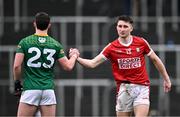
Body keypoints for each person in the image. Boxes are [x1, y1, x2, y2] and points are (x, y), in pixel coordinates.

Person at [69, 15, 171, 117]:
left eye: (125, 27)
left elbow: (155, 59)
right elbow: (92, 63)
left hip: (141, 87)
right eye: (119, 26)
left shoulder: (141, 42)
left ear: (131, 28)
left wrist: (166, 79)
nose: (122, 29)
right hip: (124, 89)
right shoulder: (111, 47)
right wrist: (77, 58)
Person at [13, 12, 79, 117]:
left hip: (31, 89)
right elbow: (68, 66)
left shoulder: (25, 42)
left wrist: (17, 82)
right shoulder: (55, 44)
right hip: (48, 90)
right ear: (49, 25)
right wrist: (74, 55)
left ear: (34, 24)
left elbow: (16, 66)